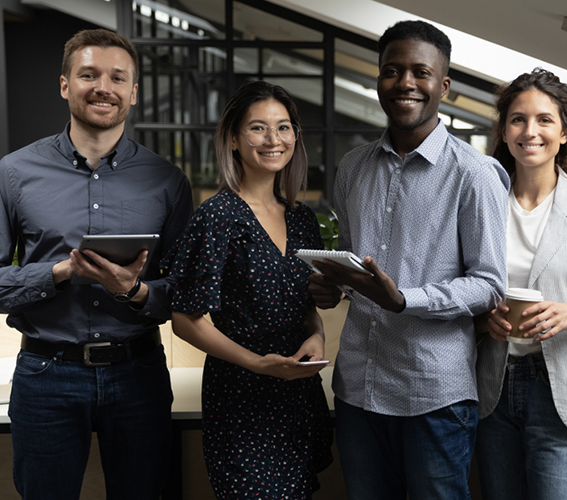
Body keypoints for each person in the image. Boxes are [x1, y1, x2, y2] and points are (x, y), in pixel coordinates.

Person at [308, 20, 509, 500]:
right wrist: (334, 285)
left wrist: (404, 299)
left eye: (420, 72)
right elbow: (358, 268)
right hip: (358, 389)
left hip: (434, 396)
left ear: (444, 86)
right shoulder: (353, 166)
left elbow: (489, 283)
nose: (405, 83)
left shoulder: (475, 174)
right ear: (377, 78)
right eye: (392, 71)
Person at [0, 29, 194, 499]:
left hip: (139, 376)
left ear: (133, 92)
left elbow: (188, 291)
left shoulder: (167, 181)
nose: (102, 87)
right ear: (65, 84)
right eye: (88, 74)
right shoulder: (14, 172)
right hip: (46, 375)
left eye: (117, 77)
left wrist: (136, 290)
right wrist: (59, 272)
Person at [164, 81, 333, 499]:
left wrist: (317, 334)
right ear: (235, 140)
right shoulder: (217, 217)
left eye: (284, 127)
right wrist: (259, 364)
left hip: (298, 396)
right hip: (242, 399)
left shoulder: (302, 219)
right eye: (258, 128)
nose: (274, 140)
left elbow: (306, 304)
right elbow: (185, 320)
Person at [474, 68, 567, 499]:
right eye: (518, 119)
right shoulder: (481, 203)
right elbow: (462, 294)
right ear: (504, 132)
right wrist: (487, 322)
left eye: (544, 120)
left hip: (562, 390)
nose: (530, 131)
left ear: (564, 133)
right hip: (492, 382)